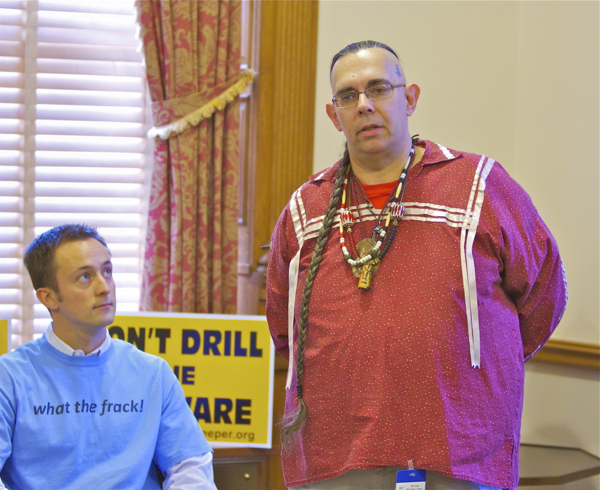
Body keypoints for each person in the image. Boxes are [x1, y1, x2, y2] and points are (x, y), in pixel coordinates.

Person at [266, 41, 567, 490]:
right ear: (334, 115)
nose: (364, 104)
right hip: (336, 455)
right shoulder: (304, 208)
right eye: (348, 96)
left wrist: (473, 367)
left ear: (409, 99)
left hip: (457, 451)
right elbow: (284, 325)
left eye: (379, 88)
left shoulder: (480, 187)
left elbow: (544, 295)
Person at [0, 224, 217, 490]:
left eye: (107, 271)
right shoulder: (9, 377)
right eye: (84, 277)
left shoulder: (152, 373)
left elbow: (190, 467)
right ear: (49, 298)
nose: (104, 287)